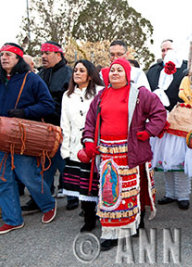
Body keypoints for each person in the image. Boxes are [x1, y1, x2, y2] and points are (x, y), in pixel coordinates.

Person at [82, 58, 166, 251]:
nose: (116, 73)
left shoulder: (140, 94)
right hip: (107, 153)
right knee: (110, 193)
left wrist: (148, 131)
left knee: (132, 192)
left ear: (127, 74)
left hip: (132, 150)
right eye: (112, 70)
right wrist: (88, 141)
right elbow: (90, 121)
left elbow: (159, 113)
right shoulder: (101, 95)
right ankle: (112, 233)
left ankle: (133, 223)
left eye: (120, 70)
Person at [0, 43, 57, 234]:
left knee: (27, 175)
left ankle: (48, 204)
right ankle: (12, 219)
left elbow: (48, 105)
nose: (4, 58)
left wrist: (25, 112)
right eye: (1, 55)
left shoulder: (31, 79)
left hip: (22, 135)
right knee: (3, 179)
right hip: (1, 137)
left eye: (8, 55)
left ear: (18, 59)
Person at [22, 41, 77, 212]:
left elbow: (69, 101)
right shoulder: (40, 74)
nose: (43, 56)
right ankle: (39, 197)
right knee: (43, 165)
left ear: (59, 55)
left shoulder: (69, 73)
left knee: (64, 163)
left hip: (61, 126)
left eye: (48, 52)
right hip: (42, 127)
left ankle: (73, 195)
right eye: (42, 53)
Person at [146, 39, 191, 210]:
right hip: (159, 119)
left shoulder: (186, 69)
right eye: (163, 49)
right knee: (165, 158)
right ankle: (170, 193)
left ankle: (183, 194)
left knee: (179, 159)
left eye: (169, 49)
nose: (166, 52)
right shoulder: (154, 70)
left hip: (180, 118)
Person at [60, 60, 104, 232]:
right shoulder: (67, 95)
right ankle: (89, 218)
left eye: (81, 70)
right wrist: (65, 149)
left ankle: (104, 213)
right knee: (83, 186)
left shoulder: (100, 92)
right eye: (75, 70)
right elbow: (65, 123)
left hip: (96, 144)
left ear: (90, 74)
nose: (77, 73)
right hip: (75, 146)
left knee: (98, 183)